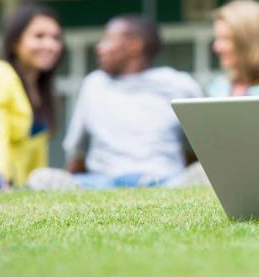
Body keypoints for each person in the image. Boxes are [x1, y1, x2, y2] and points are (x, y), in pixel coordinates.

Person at [29, 14, 205, 189]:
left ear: (134, 46)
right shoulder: (94, 84)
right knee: (41, 178)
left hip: (164, 180)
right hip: (101, 182)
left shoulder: (179, 84)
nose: (99, 47)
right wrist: (64, 182)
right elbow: (79, 154)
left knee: (202, 174)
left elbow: (200, 148)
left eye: (107, 40)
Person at [0, 3, 64, 189]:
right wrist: (1, 178)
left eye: (55, 38)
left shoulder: (42, 91)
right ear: (15, 42)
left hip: (15, 184)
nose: (50, 45)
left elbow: (37, 162)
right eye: (39, 36)